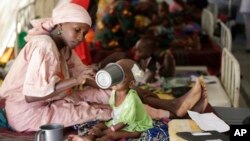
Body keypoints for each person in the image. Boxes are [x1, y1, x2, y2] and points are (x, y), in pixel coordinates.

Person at [0, 2, 207, 132]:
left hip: (51, 100)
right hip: (28, 112)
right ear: (61, 25)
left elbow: (83, 74)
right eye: (77, 30)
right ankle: (172, 112)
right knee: (104, 112)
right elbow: (31, 96)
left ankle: (175, 106)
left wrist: (109, 84)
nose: (81, 38)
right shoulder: (44, 45)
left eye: (84, 32)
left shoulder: (63, 48)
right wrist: (76, 81)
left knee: (113, 96)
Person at [68, 59, 153, 141]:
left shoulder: (132, 99)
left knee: (112, 135)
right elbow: (116, 108)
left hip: (134, 126)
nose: (115, 80)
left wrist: (105, 132)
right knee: (100, 125)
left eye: (121, 77)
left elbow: (125, 122)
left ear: (131, 83)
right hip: (119, 121)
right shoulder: (114, 92)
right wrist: (99, 105)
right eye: (114, 75)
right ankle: (89, 137)